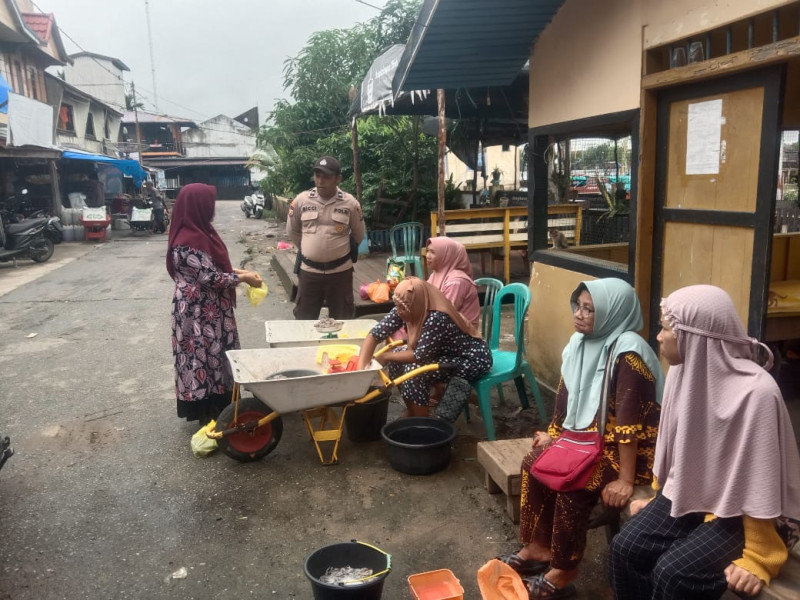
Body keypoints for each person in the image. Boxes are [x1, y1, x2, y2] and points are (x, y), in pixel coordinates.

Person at [608, 285, 800, 600]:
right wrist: (660, 498)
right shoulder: (682, 375)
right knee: (625, 548)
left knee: (673, 573)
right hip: (693, 495)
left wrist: (759, 557)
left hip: (747, 516)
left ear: (695, 337)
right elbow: (678, 450)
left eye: (666, 328)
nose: (658, 336)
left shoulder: (758, 395)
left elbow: (760, 482)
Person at [497, 278, 664, 599]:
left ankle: (565, 566)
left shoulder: (629, 353)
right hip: (587, 439)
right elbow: (566, 399)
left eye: (590, 309)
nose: (579, 314)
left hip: (633, 451)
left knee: (574, 483)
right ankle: (539, 547)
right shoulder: (579, 344)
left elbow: (629, 426)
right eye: (579, 306)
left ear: (613, 313)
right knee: (535, 463)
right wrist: (554, 435)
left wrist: (626, 481)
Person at [166, 183, 262, 424]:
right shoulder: (188, 240)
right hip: (198, 312)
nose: (213, 209)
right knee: (201, 357)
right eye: (209, 203)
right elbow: (210, 277)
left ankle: (218, 406)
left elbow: (213, 267)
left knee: (215, 356)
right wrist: (244, 278)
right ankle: (207, 411)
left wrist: (240, 272)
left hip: (209, 309)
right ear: (197, 206)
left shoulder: (200, 232)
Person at [356, 277, 492, 419]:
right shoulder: (406, 306)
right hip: (442, 354)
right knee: (397, 358)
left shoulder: (436, 317)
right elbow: (374, 335)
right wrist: (360, 373)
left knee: (414, 371)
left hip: (470, 359)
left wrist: (384, 356)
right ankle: (411, 410)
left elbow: (419, 356)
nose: (399, 312)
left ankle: (422, 422)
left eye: (403, 308)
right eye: (397, 306)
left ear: (416, 304)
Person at [286, 156, 365, 320]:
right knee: (304, 320)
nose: (320, 181)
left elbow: (358, 235)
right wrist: (311, 250)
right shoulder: (301, 200)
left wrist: (334, 252)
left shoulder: (350, 203)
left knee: (343, 320)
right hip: (309, 272)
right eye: (317, 175)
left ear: (338, 179)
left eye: (326, 177)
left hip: (340, 272)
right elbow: (293, 232)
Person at [426, 236, 480, 329]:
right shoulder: (436, 274)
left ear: (446, 256)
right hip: (442, 327)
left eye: (433, 252)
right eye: (428, 251)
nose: (427, 256)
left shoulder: (456, 282)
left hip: (462, 334)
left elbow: (444, 313)